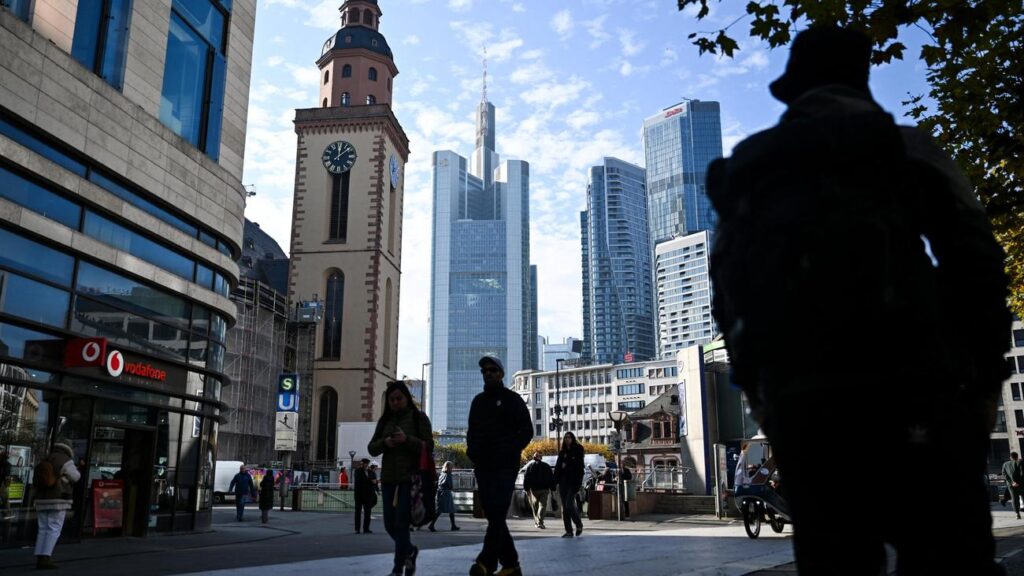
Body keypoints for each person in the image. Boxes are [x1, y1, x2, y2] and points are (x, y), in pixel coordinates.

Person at [707, 26, 1011, 575]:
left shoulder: (750, 165)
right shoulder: (905, 144)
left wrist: (763, 397)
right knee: (948, 554)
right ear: (863, 79)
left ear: (793, 89)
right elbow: (978, 263)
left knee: (837, 560)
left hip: (804, 399)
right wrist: (984, 378)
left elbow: (726, 291)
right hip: (915, 385)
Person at [467, 355, 533, 576]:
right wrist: (472, 451)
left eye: (492, 370)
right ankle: (511, 564)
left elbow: (527, 431)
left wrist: (510, 450)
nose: (488, 373)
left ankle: (485, 562)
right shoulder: (478, 401)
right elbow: (471, 432)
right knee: (493, 514)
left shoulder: (513, 400)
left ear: (501, 373)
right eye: (484, 370)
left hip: (505, 466)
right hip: (483, 465)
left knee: (496, 510)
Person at [368, 380, 433, 576]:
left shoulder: (418, 418)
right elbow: (372, 448)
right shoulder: (385, 421)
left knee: (401, 523)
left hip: (409, 479)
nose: (395, 403)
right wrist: (385, 442)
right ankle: (410, 551)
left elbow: (428, 446)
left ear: (407, 398)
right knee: (389, 524)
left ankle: (397, 569)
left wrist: (407, 440)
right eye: (392, 400)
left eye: (399, 399)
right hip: (389, 479)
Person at [33, 442, 80, 569]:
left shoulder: (47, 458)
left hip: (41, 498)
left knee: (43, 528)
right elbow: (76, 477)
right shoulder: (65, 460)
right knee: (54, 527)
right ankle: (46, 557)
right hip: (58, 498)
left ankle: (40, 556)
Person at [554, 432, 584, 539]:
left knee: (569, 504)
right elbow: (558, 467)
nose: (567, 439)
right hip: (563, 482)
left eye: (569, 437)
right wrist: (554, 482)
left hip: (573, 482)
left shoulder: (578, 449)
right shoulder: (562, 452)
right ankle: (568, 531)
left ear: (573, 438)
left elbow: (579, 467)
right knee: (565, 508)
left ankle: (578, 524)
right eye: (565, 437)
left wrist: (566, 465)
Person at [522, 452, 553, 529]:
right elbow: (551, 478)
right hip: (544, 489)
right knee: (542, 505)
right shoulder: (546, 466)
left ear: (534, 458)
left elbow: (526, 478)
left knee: (535, 506)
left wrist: (526, 489)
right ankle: (540, 522)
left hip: (534, 490)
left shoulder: (530, 466)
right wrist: (552, 488)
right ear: (541, 458)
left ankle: (537, 522)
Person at [428, 461, 459, 532]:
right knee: (447, 509)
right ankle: (431, 525)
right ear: (449, 467)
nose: (452, 468)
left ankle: (453, 525)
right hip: (446, 493)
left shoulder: (442, 474)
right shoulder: (448, 475)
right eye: (451, 467)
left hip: (440, 492)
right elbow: (450, 486)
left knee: (442, 509)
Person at [353, 458, 377, 534]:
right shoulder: (357, 471)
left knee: (368, 512)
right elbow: (360, 480)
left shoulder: (371, 472)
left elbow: (375, 481)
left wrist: (372, 481)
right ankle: (357, 529)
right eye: (364, 464)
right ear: (362, 464)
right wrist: (370, 480)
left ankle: (366, 528)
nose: (366, 465)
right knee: (358, 512)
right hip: (359, 495)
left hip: (368, 495)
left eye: (367, 463)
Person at [1003, 453, 1023, 519]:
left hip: (1011, 485)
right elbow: (1022, 473)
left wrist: (1012, 482)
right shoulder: (1020, 462)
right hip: (1021, 484)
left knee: (1014, 499)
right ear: (1017, 456)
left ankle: (1017, 514)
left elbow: (1004, 474)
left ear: (1010, 457)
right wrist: (1018, 482)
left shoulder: (1005, 464)